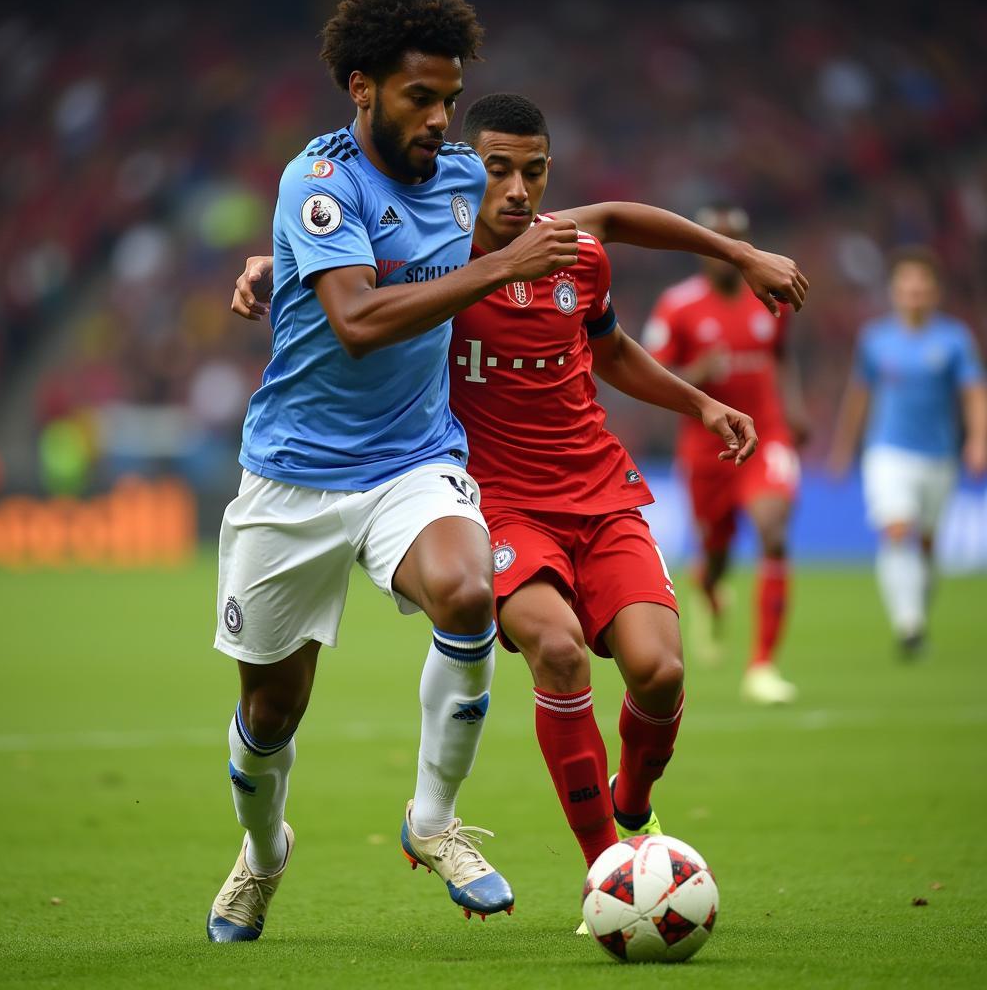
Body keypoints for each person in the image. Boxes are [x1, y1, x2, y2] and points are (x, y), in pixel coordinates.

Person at [231, 94, 807, 923]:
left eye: (532, 172)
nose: (516, 189)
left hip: (599, 491)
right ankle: (608, 866)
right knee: (555, 651)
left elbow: (610, 309)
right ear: (469, 171)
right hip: (496, 500)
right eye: (497, 169)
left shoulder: (569, 255)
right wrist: (268, 263)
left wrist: (703, 395)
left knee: (663, 671)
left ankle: (632, 804)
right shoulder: (442, 256)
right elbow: (345, 268)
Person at [207, 0, 583, 943]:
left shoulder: (466, 179)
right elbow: (358, 319)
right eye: (421, 97)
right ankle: (261, 853)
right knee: (270, 710)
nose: (440, 119)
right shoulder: (318, 180)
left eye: (450, 99)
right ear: (362, 87)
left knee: (466, 589)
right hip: (289, 476)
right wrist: (491, 266)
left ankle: (432, 819)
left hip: (411, 461)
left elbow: (589, 224)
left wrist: (734, 251)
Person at [643, 205, 809, 705]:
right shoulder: (677, 306)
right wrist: (698, 369)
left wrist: (794, 410)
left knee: (773, 531)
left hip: (768, 437)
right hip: (707, 449)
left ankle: (762, 665)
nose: (726, 249)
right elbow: (652, 373)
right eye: (716, 239)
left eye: (735, 237)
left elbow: (781, 357)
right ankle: (710, 590)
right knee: (715, 555)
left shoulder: (767, 298)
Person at [829, 246, 986, 656]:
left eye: (921, 285)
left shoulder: (954, 339)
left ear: (934, 292)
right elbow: (859, 396)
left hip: (939, 455)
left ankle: (916, 614)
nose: (913, 292)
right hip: (887, 451)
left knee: (928, 544)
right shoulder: (875, 340)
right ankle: (909, 623)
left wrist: (978, 440)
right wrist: (845, 447)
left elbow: (973, 394)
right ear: (895, 291)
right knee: (897, 529)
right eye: (906, 285)